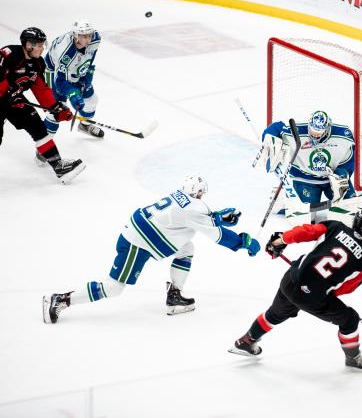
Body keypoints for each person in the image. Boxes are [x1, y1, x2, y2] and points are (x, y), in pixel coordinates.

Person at [42, 173, 261, 323]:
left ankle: (175, 295)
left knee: (186, 247)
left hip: (140, 233)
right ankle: (62, 299)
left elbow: (191, 217)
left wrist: (217, 217)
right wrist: (244, 241)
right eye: (202, 193)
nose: (203, 196)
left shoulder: (180, 196)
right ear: (199, 193)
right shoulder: (195, 208)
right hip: (137, 243)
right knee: (114, 288)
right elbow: (217, 235)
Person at [229, 209, 362, 370]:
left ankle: (246, 341)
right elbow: (348, 287)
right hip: (313, 298)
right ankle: (353, 358)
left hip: (291, 281)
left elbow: (305, 232)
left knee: (275, 313)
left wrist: (280, 241)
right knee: (350, 320)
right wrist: (322, 289)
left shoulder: (336, 227)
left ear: (354, 221)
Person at [0, 27, 84, 184]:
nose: (42, 48)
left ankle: (59, 166)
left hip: (14, 100)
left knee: (38, 128)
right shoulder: (9, 54)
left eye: (42, 44)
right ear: (28, 45)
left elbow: (40, 88)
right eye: (38, 45)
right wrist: (7, 93)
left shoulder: (38, 63)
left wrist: (55, 107)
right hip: (3, 99)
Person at [258, 110, 356, 205]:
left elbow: (349, 157)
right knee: (305, 209)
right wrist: (269, 137)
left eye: (319, 132)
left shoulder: (343, 135)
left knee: (349, 204)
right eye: (312, 130)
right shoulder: (297, 130)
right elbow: (277, 127)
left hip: (331, 179)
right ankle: (284, 200)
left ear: (327, 129)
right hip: (305, 179)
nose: (314, 135)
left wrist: (342, 174)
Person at [42, 19, 103, 145]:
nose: (88, 39)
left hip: (74, 67)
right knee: (57, 109)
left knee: (91, 100)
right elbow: (59, 82)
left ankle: (85, 125)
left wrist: (87, 71)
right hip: (53, 71)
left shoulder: (96, 38)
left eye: (89, 35)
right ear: (76, 35)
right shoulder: (65, 51)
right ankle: (43, 146)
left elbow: (90, 55)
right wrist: (72, 93)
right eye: (84, 36)